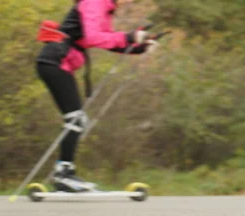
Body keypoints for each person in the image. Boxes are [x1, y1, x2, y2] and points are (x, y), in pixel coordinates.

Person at [36, 0, 158, 192]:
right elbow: (93, 38)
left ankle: (64, 173)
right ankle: (63, 175)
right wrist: (130, 36)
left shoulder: (105, 6)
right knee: (75, 118)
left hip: (58, 63)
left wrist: (137, 46)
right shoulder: (95, 2)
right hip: (55, 62)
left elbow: (106, 39)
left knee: (76, 119)